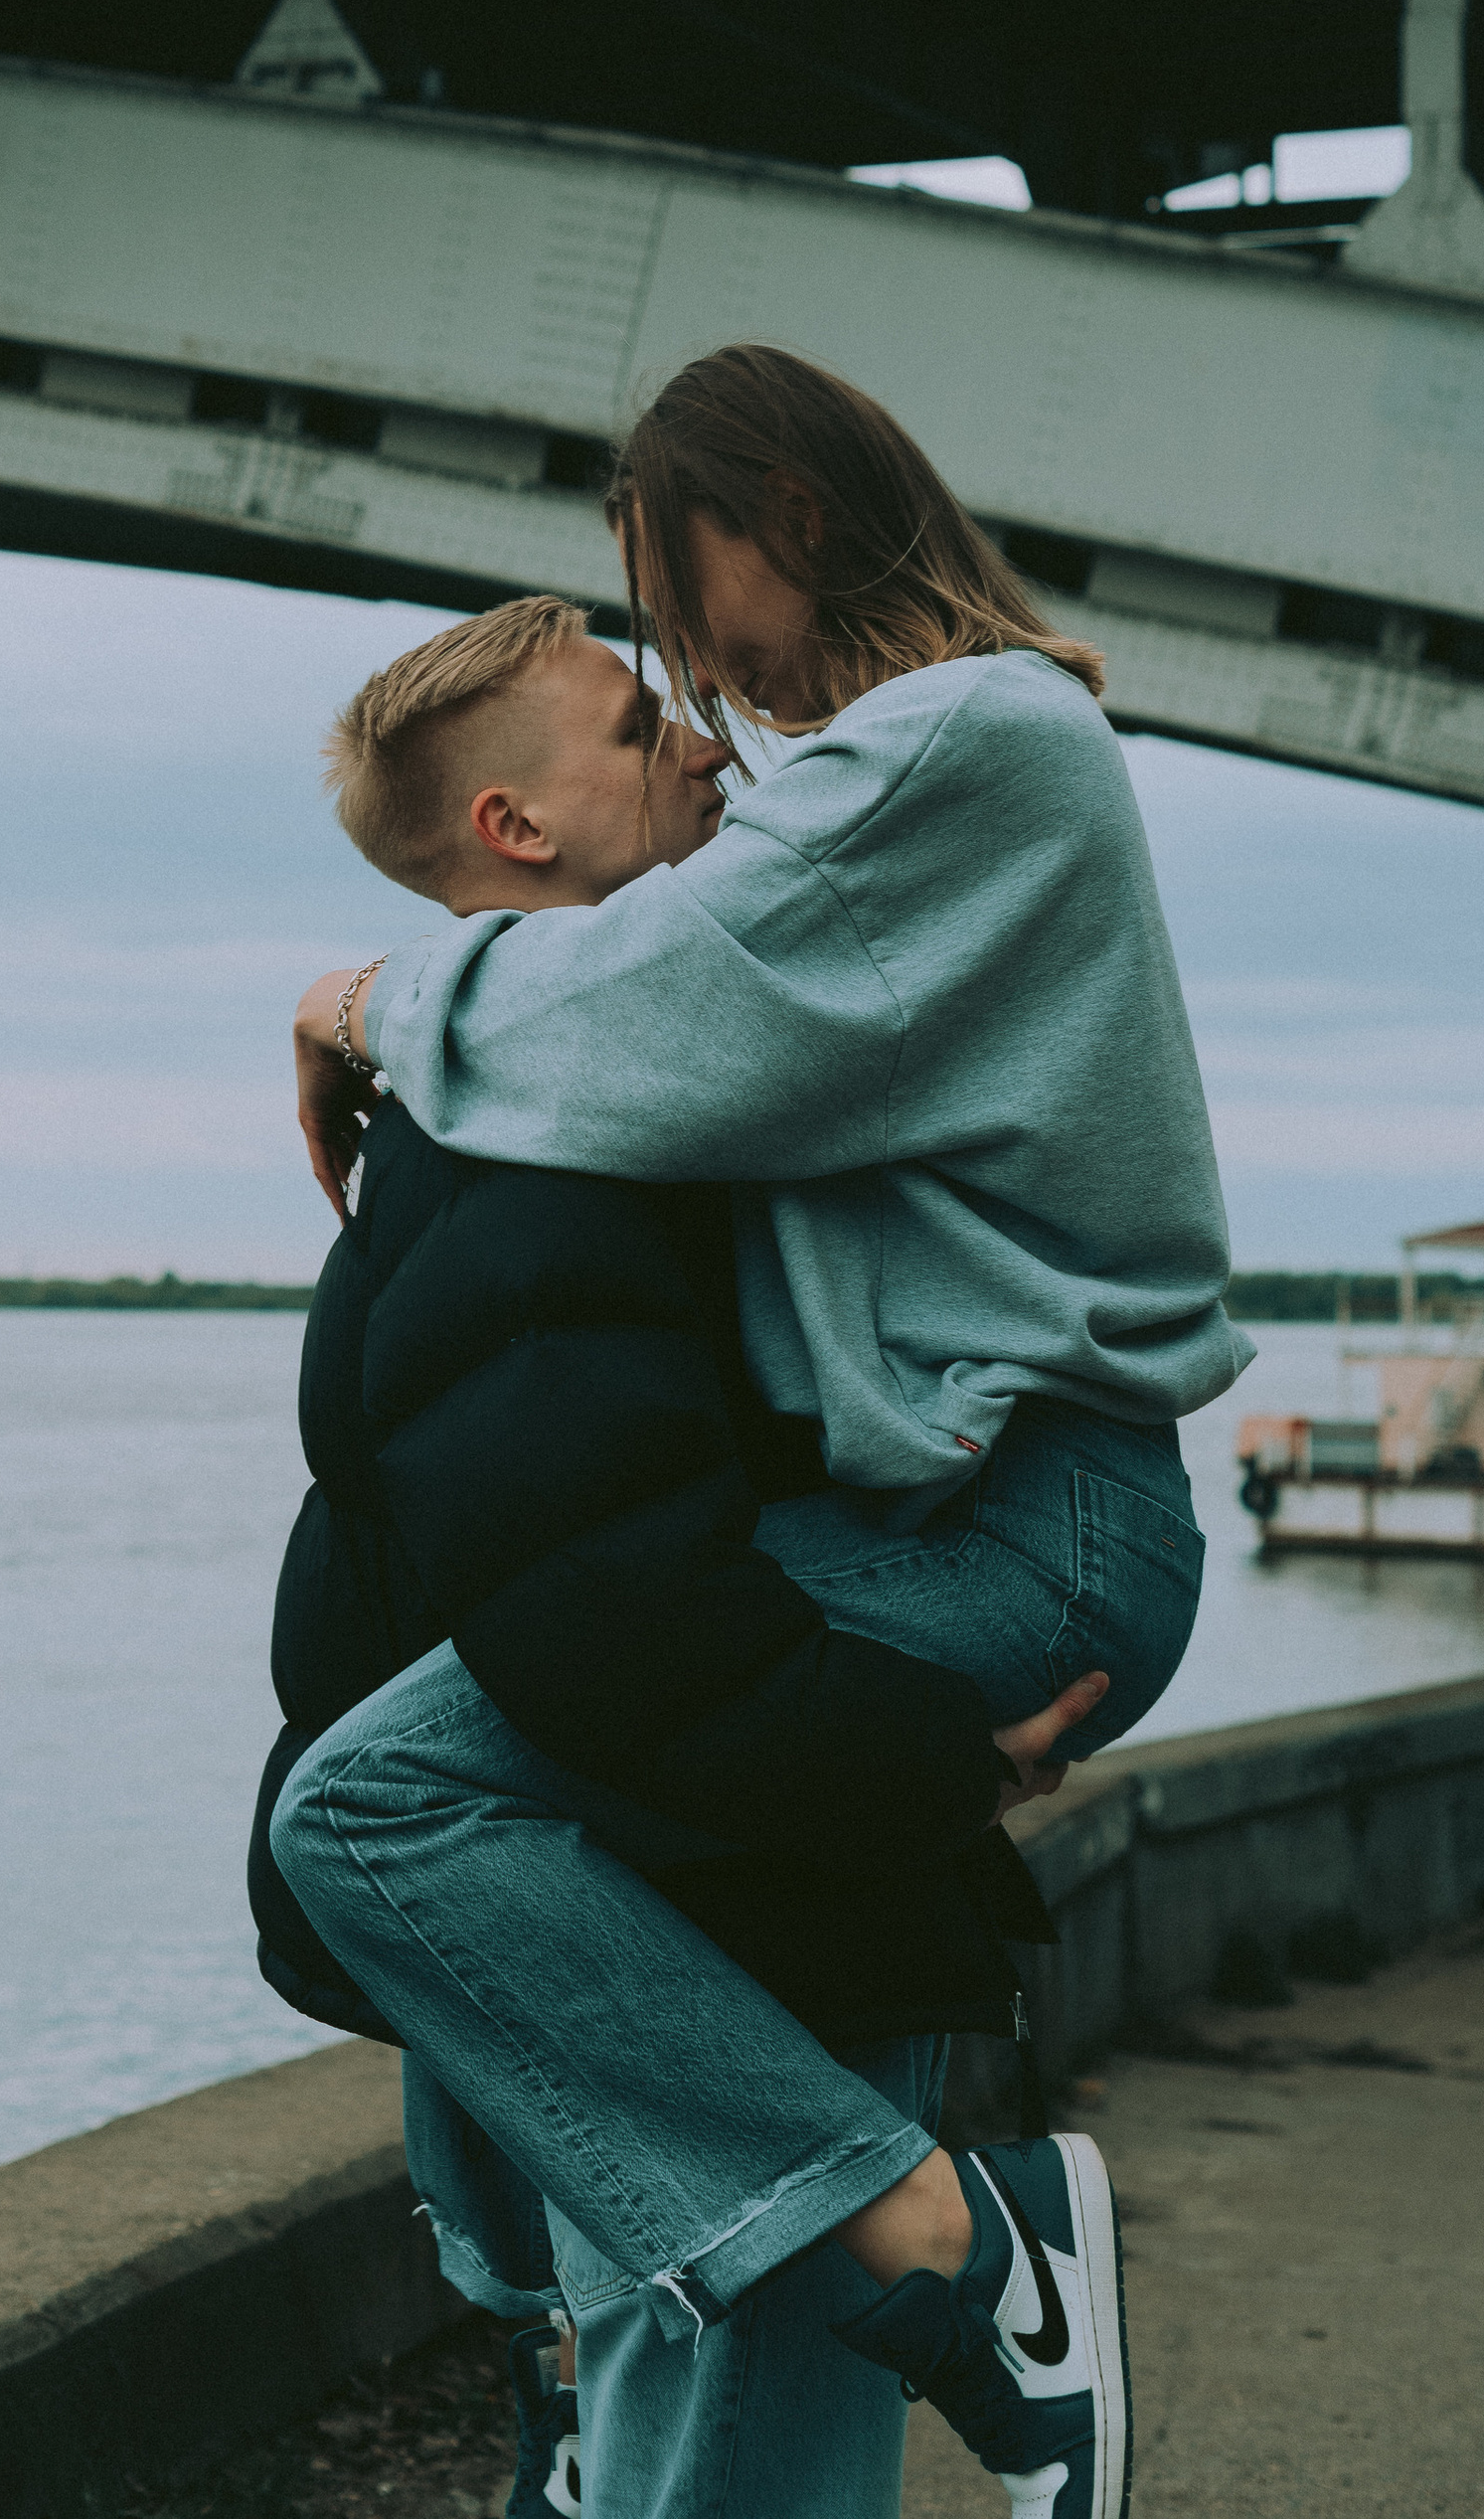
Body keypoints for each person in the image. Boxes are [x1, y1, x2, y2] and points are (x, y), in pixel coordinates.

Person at [269, 347, 1244, 2519]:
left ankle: (957, 2252)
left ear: (774, 519)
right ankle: (902, 2251)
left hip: (1008, 1525)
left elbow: (634, 1000)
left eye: (660, 588)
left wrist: (357, 1002)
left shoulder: (963, 745)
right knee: (713, 2297)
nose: (682, 678)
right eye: (634, 686)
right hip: (884, 1557)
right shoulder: (868, 802)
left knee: (375, 1818)